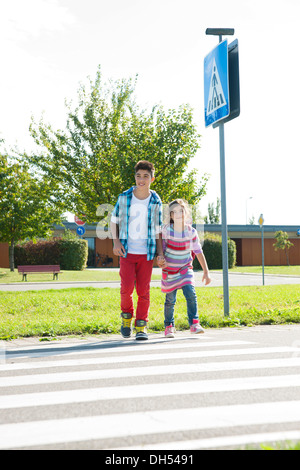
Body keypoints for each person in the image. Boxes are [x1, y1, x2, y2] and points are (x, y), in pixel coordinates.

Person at [110, 160, 163, 341]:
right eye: (138, 176)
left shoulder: (156, 200)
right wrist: (116, 242)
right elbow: (113, 221)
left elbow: (158, 229)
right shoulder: (124, 197)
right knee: (125, 289)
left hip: (146, 254)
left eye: (145, 176)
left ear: (152, 179)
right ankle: (126, 319)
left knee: (143, 291)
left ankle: (141, 325)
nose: (141, 180)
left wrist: (160, 253)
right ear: (135, 177)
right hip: (126, 252)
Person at [160, 199, 211, 338]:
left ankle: (194, 323)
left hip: (185, 269)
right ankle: (169, 326)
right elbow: (161, 250)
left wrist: (206, 272)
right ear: (170, 215)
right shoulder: (166, 231)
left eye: (181, 211)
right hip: (169, 271)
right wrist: (160, 259)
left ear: (185, 213)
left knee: (191, 293)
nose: (178, 214)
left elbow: (199, 252)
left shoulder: (191, 232)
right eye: (174, 212)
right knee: (170, 300)